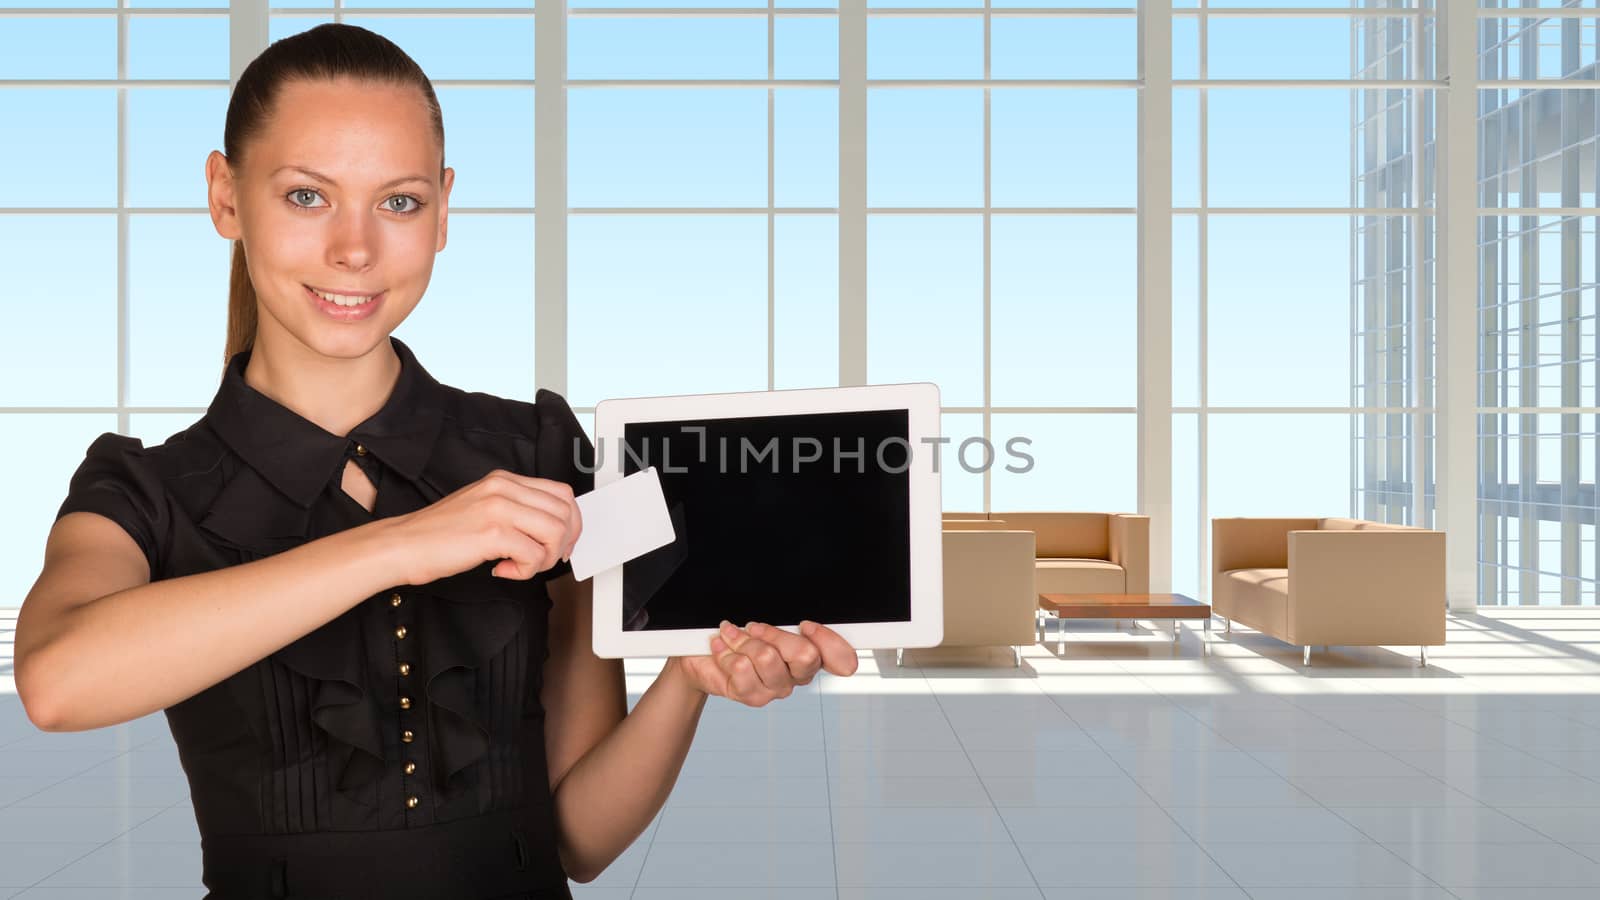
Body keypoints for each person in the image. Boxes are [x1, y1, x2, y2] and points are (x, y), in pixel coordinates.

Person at [13, 23, 859, 900]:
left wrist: (686, 682)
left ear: (445, 208)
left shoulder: (538, 453)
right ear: (225, 196)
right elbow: (56, 683)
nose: (355, 250)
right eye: (307, 196)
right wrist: (405, 543)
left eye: (400, 202)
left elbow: (578, 841)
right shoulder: (144, 490)